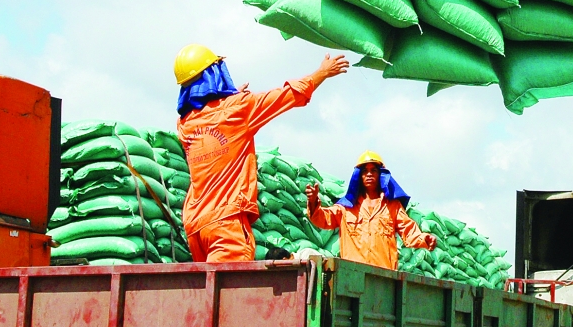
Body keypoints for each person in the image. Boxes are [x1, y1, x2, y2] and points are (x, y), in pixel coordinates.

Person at [174, 44, 349, 263]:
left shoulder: (185, 125)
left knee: (210, 290)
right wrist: (322, 72)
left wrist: (227, 100)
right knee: (230, 294)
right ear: (215, 74)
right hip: (226, 222)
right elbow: (284, 96)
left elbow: (214, 127)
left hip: (195, 224)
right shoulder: (239, 109)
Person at [306, 151, 436, 271]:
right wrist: (312, 202)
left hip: (383, 277)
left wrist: (424, 238)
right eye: (365, 171)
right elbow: (323, 218)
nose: (369, 174)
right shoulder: (346, 207)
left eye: (373, 170)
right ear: (359, 176)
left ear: (381, 175)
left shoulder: (393, 207)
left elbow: (409, 231)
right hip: (353, 275)